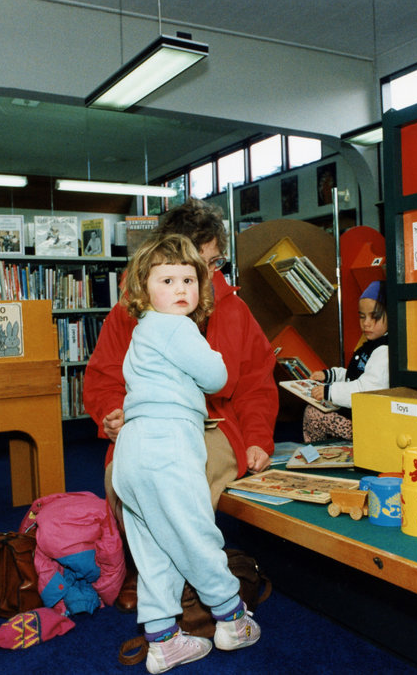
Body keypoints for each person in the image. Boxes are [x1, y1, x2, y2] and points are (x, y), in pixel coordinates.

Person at [84, 197, 278, 611]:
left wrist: (259, 438)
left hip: (215, 423)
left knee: (192, 475)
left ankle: (190, 588)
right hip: (146, 422)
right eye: (194, 263)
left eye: (214, 263)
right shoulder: (127, 312)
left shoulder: (235, 310)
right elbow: (102, 378)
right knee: (121, 478)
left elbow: (256, 382)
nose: (204, 276)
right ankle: (176, 582)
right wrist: (111, 413)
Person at [112, 233, 260, 673]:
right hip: (169, 447)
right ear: (142, 288)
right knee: (196, 535)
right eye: (167, 280)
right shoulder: (177, 328)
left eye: (189, 280)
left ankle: (163, 640)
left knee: (154, 548)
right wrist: (207, 349)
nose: (181, 290)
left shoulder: (141, 333)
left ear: (202, 286)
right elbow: (217, 377)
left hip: (132, 453)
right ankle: (231, 619)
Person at [303, 280, 389, 443]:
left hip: (370, 425)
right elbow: (354, 375)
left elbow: (365, 389)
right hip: (358, 417)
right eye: (362, 317)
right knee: (314, 409)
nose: (366, 323)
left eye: (374, 317)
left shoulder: (384, 351)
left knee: (313, 414)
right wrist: (329, 375)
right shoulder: (371, 345)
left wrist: (330, 392)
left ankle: (317, 454)